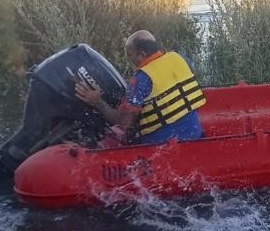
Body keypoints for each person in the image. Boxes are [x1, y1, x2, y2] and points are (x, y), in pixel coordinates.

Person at [75, 30, 206, 145]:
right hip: (195, 136)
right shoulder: (179, 58)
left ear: (142, 55)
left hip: (161, 147)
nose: (129, 59)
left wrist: (98, 102)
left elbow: (124, 123)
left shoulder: (141, 79)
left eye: (130, 55)